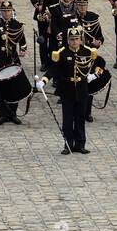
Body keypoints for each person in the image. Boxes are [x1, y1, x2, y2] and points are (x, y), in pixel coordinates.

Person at [37, 25, 104, 155]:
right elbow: (53, 69)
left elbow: (101, 64)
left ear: (81, 39)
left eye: (76, 39)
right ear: (68, 40)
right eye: (72, 39)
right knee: (67, 120)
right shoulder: (62, 53)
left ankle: (80, 144)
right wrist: (44, 80)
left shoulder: (88, 52)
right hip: (67, 90)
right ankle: (68, 144)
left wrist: (95, 75)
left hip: (82, 89)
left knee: (80, 118)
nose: (74, 42)